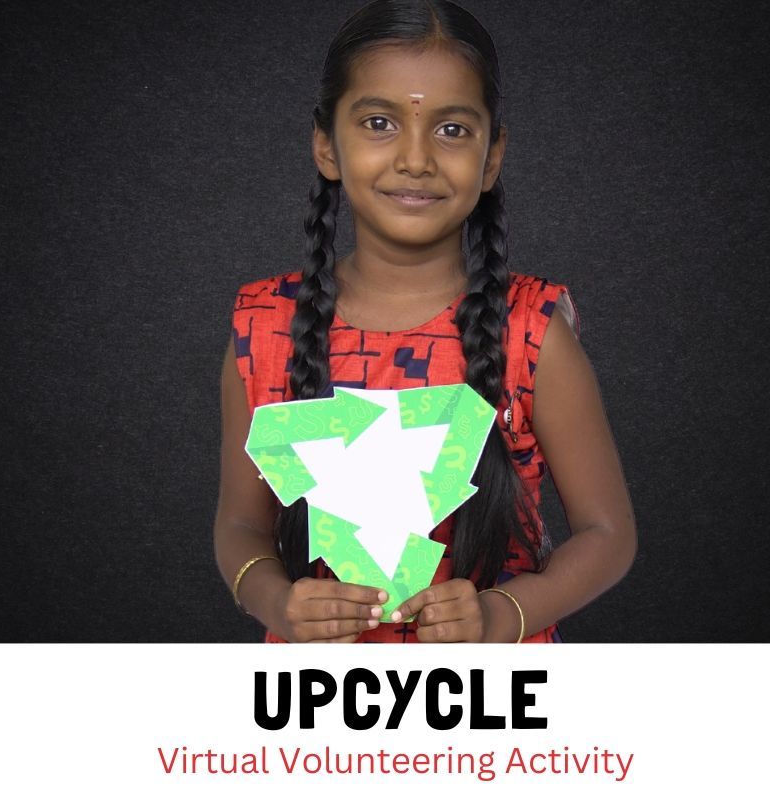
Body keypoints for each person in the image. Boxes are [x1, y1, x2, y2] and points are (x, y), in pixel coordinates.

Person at [213, 0, 636, 643]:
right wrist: (277, 602)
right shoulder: (267, 330)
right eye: (379, 122)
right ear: (327, 144)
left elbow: (609, 536)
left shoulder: (530, 331)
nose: (416, 158)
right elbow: (241, 526)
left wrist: (502, 615)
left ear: (493, 157)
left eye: (452, 130)